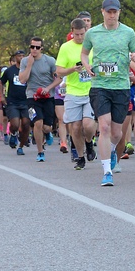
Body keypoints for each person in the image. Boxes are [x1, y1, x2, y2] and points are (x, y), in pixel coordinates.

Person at [81, 0, 135, 187]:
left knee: (117, 133)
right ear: (102, 12)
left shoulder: (128, 32)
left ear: (119, 12)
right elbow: (84, 54)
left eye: (114, 11)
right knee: (104, 126)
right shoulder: (93, 33)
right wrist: (87, 66)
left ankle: (109, 150)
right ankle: (107, 171)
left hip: (121, 86)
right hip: (100, 85)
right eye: (108, 11)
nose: (111, 14)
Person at [54, 19, 97, 170]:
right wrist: (73, 69)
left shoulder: (93, 44)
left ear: (86, 31)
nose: (79, 37)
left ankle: (89, 142)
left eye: (82, 34)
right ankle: (80, 156)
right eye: (76, 34)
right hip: (73, 91)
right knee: (76, 127)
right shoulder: (66, 48)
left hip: (91, 90)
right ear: (72, 32)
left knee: (88, 125)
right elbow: (59, 71)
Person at [18, 36, 57, 162]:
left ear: (41, 48)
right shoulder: (25, 61)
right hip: (32, 97)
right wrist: (29, 65)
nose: (34, 49)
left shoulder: (50, 61)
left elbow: (59, 78)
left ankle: (47, 133)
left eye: (37, 47)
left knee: (46, 127)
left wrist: (48, 88)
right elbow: (22, 80)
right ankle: (40, 152)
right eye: (32, 47)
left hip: (48, 97)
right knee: (37, 122)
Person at [0, 51, 32, 155]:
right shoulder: (9, 70)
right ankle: (13, 134)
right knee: (15, 124)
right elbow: (1, 83)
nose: (21, 58)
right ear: (15, 58)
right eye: (19, 56)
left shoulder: (28, 70)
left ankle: (21, 146)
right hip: (13, 101)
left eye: (23, 56)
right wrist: (1, 96)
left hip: (26, 101)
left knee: (26, 124)